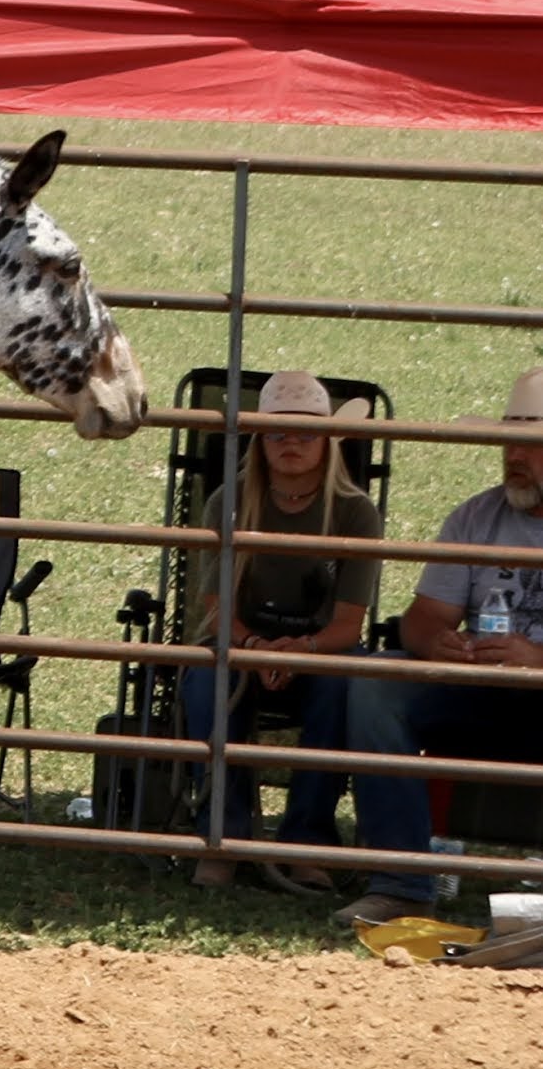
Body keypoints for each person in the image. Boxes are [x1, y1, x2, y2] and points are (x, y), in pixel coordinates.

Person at [353, 365, 543, 927]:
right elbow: (421, 621)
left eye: (530, 446)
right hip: (479, 693)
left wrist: (536, 661)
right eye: (508, 442)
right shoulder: (475, 516)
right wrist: (440, 644)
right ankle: (402, 883)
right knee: (375, 681)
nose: (513, 456)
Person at [178, 374, 384, 892]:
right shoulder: (228, 501)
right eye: (276, 433)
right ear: (258, 441)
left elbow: (348, 623)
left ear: (328, 443)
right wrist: (254, 647)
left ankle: (306, 841)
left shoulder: (356, 511)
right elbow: (216, 611)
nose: (290, 443)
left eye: (305, 435)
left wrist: (302, 650)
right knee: (207, 683)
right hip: (242, 641)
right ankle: (221, 838)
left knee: (342, 687)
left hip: (320, 650)